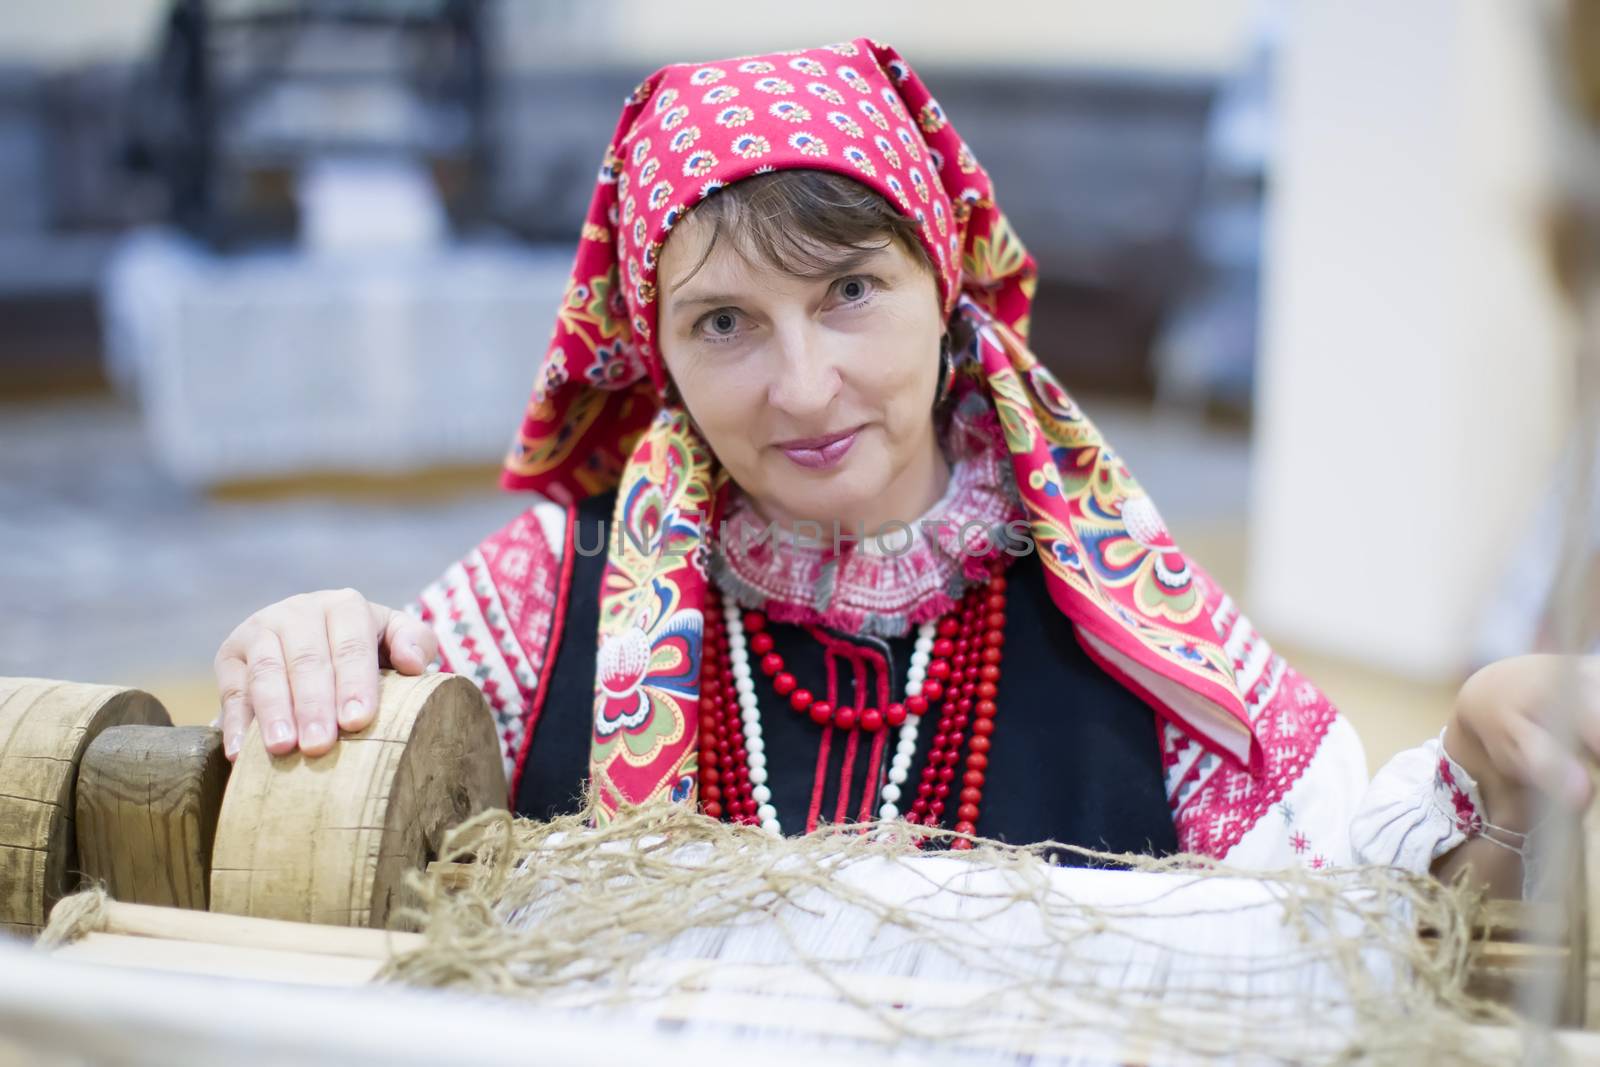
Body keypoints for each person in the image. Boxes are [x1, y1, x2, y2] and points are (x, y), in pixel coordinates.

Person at [213, 39, 1588, 892]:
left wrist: (1481, 756)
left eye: (852, 294)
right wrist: (317, 653)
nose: (803, 387)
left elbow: (1347, 899)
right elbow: (364, 769)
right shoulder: (544, 599)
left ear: (949, 295)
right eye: (725, 324)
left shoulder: (1118, 608)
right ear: (655, 353)